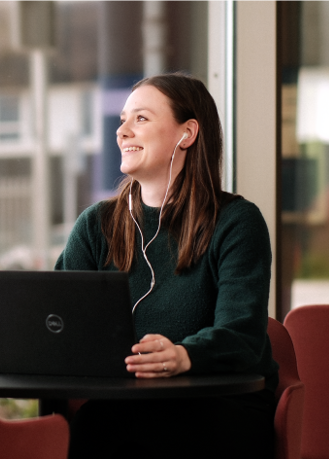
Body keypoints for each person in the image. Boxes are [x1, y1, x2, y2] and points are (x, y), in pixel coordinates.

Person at [55, 72, 279, 459]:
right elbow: (55, 320)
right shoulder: (96, 224)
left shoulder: (237, 222)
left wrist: (183, 355)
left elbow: (242, 335)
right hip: (123, 407)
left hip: (220, 407)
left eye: (140, 119)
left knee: (106, 430)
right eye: (123, 119)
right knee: (93, 427)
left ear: (186, 133)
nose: (122, 131)